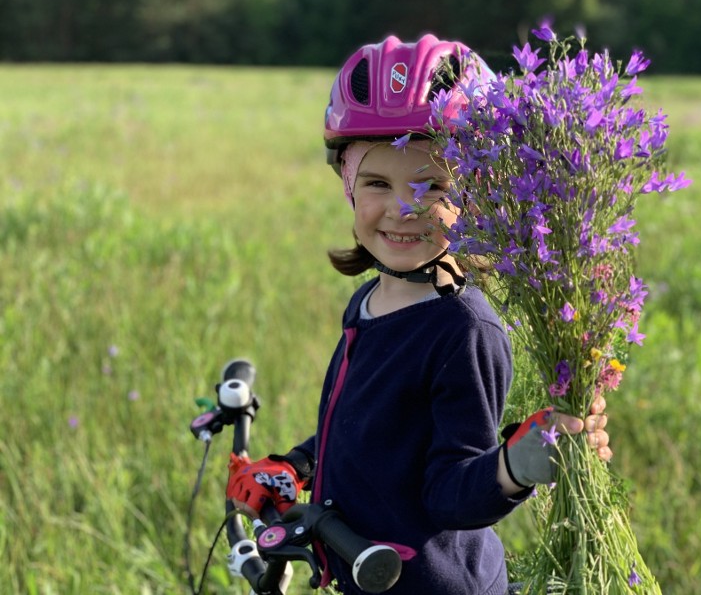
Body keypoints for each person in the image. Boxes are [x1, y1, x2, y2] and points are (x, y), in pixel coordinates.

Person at [226, 34, 612, 595]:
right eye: (377, 182)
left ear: (477, 192)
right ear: (347, 185)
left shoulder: (463, 332)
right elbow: (367, 424)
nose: (403, 208)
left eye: (432, 186)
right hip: (362, 571)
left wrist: (515, 465)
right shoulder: (367, 303)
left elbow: (450, 490)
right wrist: (296, 465)